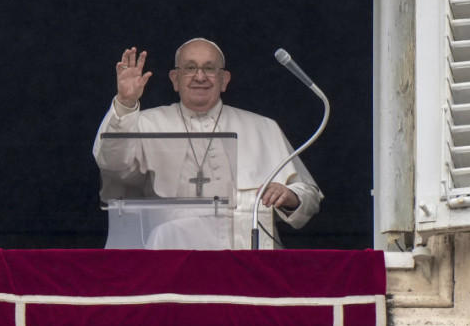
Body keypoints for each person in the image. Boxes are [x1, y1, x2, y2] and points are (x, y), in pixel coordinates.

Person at [93, 38, 323, 249]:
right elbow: (112, 165)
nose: (200, 76)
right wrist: (125, 103)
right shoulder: (144, 123)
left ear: (224, 80)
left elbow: (309, 195)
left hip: (251, 261)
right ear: (175, 79)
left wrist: (291, 196)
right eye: (190, 68)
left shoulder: (263, 127)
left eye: (210, 68)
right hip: (172, 260)